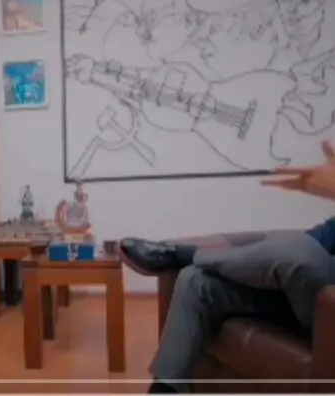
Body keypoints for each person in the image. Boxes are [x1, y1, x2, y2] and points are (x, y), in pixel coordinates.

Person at [119, 139, 335, 393]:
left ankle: (186, 255)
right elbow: (309, 244)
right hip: (311, 304)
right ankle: (164, 389)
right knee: (197, 280)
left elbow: (302, 253)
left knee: (300, 251)